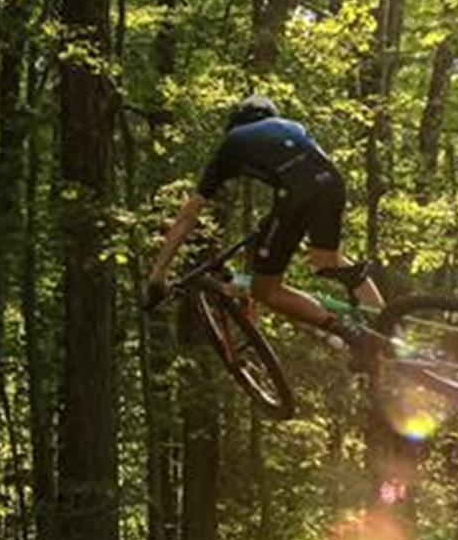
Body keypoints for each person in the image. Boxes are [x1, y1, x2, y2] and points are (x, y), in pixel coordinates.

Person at [144, 94, 384, 362]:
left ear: (236, 122)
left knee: (265, 290)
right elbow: (302, 172)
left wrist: (159, 273)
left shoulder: (232, 142)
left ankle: (351, 335)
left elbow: (189, 214)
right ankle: (387, 328)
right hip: (332, 182)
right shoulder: (291, 126)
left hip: (296, 193)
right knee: (327, 260)